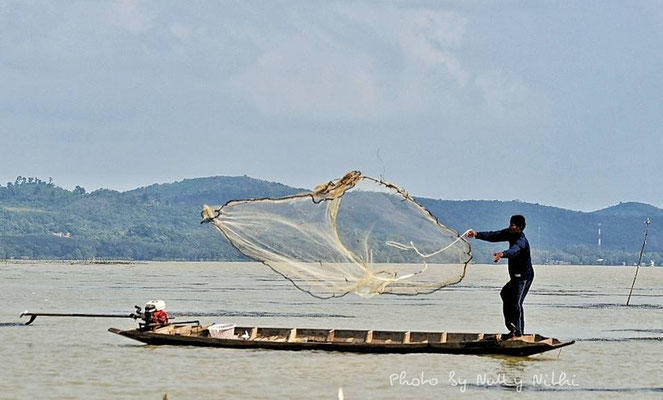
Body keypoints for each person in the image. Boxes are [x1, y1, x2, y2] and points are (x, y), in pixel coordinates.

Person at [465, 215, 533, 340]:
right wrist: (476, 234)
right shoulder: (509, 233)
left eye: (513, 225)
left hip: (524, 277)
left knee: (516, 303)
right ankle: (512, 329)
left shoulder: (521, 241)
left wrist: (502, 254)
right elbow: (494, 235)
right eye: (510, 224)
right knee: (505, 295)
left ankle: (519, 333)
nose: (510, 227)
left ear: (519, 228)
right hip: (515, 277)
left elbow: (514, 251)